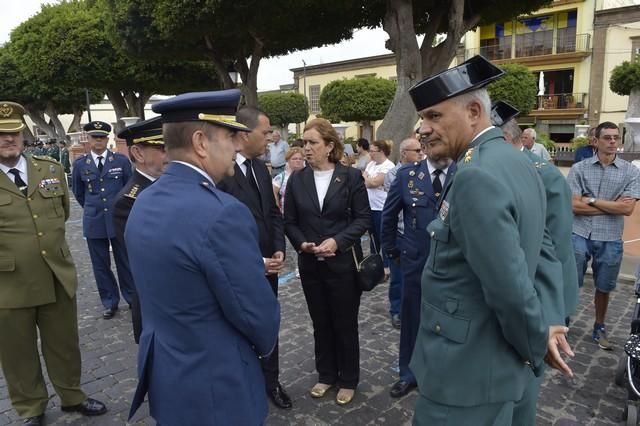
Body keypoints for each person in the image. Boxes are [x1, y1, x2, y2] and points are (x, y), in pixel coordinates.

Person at [408, 55, 572, 425]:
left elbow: (508, 286)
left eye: (434, 116)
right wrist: (545, 321)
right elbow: (545, 253)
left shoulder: (475, 174)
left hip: (463, 373)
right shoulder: (518, 163)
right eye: (422, 118)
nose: (422, 128)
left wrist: (535, 341)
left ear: (473, 112)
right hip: (495, 368)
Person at [126, 89, 280, 425]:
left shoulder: (143, 201)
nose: (238, 146)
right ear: (200, 142)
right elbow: (256, 313)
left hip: (167, 374)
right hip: (216, 381)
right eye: (229, 135)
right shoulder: (223, 213)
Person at [0, 101, 107, 426]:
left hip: (55, 274)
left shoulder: (49, 168)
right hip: (9, 284)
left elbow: (61, 213)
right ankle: (31, 407)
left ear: (23, 135)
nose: (9, 140)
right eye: (2, 135)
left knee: (63, 344)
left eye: (14, 133)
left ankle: (72, 396)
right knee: (18, 353)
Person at [494, 101, 578, 419]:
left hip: (539, 295)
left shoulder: (539, 173)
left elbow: (550, 249)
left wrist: (543, 313)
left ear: (503, 138)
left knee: (524, 383)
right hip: (524, 295)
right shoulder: (516, 168)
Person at [284, 118, 370, 406]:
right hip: (311, 265)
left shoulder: (350, 177)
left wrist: (338, 241)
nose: (306, 148)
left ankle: (348, 379)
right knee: (320, 323)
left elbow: (363, 219)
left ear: (329, 146)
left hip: (343, 265)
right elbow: (290, 222)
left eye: (312, 143)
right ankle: (326, 374)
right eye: (304, 143)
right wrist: (301, 244)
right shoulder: (297, 179)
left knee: (345, 323)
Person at [217, 107, 292, 410]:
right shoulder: (221, 172)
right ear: (245, 134)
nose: (271, 138)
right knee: (238, 327)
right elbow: (221, 230)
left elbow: (273, 213)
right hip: (239, 269)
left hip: (269, 268)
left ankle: (270, 381)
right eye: (266, 132)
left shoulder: (261, 168)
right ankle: (243, 384)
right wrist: (255, 261)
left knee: (268, 324)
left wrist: (278, 247)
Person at [381, 137, 455, 398]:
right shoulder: (406, 176)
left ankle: (440, 375)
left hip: (452, 263)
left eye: (444, 143)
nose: (440, 149)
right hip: (414, 260)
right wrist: (390, 252)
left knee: (447, 320)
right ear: (424, 149)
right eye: (433, 144)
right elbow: (388, 217)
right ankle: (408, 374)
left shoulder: (464, 174)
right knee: (411, 317)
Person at [568, 121, 640, 350]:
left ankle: (599, 326)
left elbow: (627, 209)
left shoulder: (631, 172)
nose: (612, 142)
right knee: (570, 281)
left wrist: (589, 200)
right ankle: (563, 320)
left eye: (615, 138)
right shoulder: (580, 169)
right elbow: (572, 206)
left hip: (610, 236)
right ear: (595, 141)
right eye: (607, 137)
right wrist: (610, 205)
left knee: (604, 286)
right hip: (579, 233)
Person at [112, 117, 167, 344]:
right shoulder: (130, 201)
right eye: (162, 149)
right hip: (159, 306)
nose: (170, 155)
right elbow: (151, 260)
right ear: (138, 153)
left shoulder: (171, 186)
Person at [72, 121, 134, 319]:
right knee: (100, 265)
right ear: (88, 139)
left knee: (125, 261)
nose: (98, 140)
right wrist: (94, 208)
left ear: (107, 139)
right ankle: (109, 301)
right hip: (94, 221)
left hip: (118, 219)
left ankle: (132, 298)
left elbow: (130, 188)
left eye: (102, 137)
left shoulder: (121, 161)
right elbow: (78, 193)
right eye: (94, 137)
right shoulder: (81, 164)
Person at [363, 139, 396, 323]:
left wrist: (368, 179)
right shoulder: (371, 163)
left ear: (382, 151)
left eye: (374, 151)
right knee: (373, 238)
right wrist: (368, 179)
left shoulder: (388, 166)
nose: (371, 153)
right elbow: (367, 180)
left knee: (384, 238)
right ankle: (375, 266)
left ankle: (386, 268)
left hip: (382, 207)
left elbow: (372, 183)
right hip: (370, 207)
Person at [272, 146, 304, 214]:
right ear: (288, 160)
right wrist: (278, 209)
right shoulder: (281, 177)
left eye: (300, 159)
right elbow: (273, 193)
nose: (298, 161)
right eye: (294, 159)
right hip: (286, 215)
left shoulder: (308, 176)